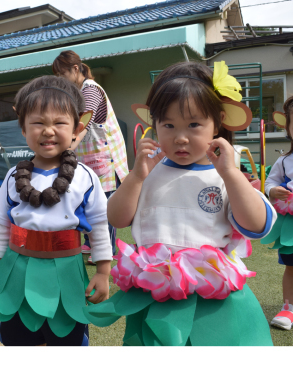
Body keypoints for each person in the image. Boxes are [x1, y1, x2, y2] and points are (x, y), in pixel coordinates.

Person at [84, 61, 276, 346]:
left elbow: (257, 224)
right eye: (168, 125)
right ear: (155, 123)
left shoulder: (224, 175)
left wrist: (231, 174)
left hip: (213, 296)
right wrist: (136, 177)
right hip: (155, 293)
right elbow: (117, 218)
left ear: (218, 121)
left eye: (194, 124)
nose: (181, 137)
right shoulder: (147, 172)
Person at [0, 75, 112, 346]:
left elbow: (98, 226)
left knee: (66, 337)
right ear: (24, 130)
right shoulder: (14, 175)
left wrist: (103, 272)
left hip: (67, 269)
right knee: (18, 337)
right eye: (38, 123)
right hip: (17, 267)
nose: (48, 130)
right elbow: (3, 223)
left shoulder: (85, 176)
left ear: (76, 128)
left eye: (59, 123)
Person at [53, 50, 128, 260]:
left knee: (104, 205)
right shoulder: (78, 92)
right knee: (87, 199)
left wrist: (68, 145)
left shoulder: (92, 90)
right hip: (90, 156)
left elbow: (85, 122)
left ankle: (106, 249)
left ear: (75, 69)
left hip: (105, 156)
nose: (61, 79)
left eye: (62, 74)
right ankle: (89, 242)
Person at [262, 96, 293, 330]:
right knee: (291, 267)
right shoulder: (284, 160)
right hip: (291, 225)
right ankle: (288, 308)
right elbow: (269, 181)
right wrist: (274, 189)